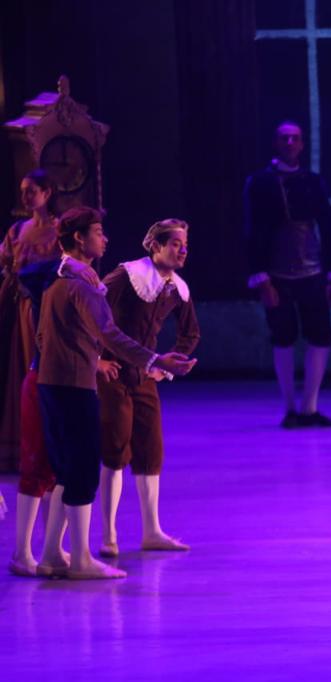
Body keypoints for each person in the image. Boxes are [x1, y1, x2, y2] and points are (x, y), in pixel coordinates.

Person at [35, 207, 196, 579]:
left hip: (58, 381)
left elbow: (46, 335)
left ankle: (52, 555)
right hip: (79, 382)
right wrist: (149, 359)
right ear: (80, 238)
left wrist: (158, 364)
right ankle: (82, 558)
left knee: (68, 470)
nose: (105, 239)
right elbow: (109, 333)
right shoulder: (87, 282)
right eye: (98, 232)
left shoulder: (61, 276)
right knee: (85, 468)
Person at [97, 219, 200, 558]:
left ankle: (152, 531)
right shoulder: (127, 276)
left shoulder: (177, 288)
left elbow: (191, 333)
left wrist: (165, 367)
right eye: (175, 244)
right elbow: (92, 313)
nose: (182, 250)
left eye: (185, 245)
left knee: (151, 449)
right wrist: (97, 360)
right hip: (113, 372)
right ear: (155, 246)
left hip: (144, 375)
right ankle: (109, 535)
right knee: (115, 448)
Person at [244, 121, 331, 428]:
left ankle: (309, 407)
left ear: (301, 144)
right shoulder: (260, 182)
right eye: (284, 138)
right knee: (283, 336)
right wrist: (260, 276)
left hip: (312, 269)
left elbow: (328, 227)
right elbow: (253, 230)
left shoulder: (313, 182)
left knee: (321, 334)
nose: (290, 143)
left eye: (295, 138)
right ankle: (290, 408)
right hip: (276, 272)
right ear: (276, 143)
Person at [0, 170, 60, 470]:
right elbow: (8, 271)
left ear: (47, 193)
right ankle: (25, 449)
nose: (25, 196)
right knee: (25, 374)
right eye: (23, 190)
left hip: (52, 313)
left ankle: (51, 450)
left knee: (48, 374)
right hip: (24, 313)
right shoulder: (17, 232)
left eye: (31, 190)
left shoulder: (60, 230)